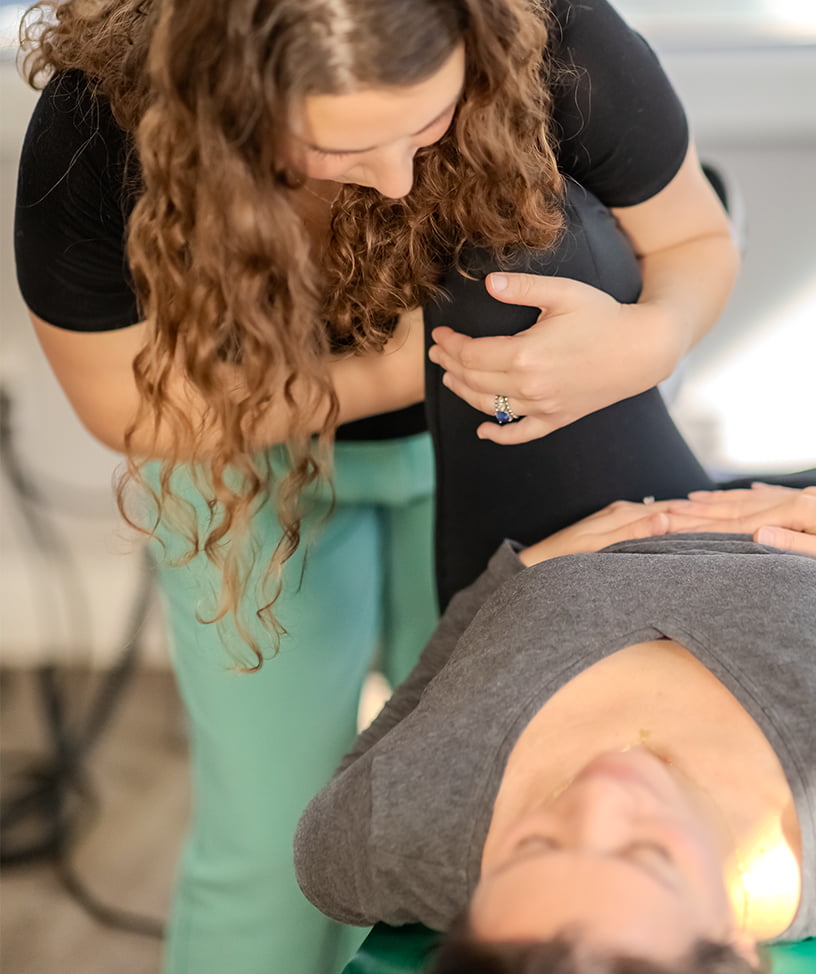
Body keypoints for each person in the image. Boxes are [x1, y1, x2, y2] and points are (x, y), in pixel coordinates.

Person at [13, 1, 737, 972]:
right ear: (227, 98)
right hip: (248, 461)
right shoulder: (104, 127)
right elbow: (121, 403)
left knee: (485, 806)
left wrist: (649, 339)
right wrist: (388, 378)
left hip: (491, 441)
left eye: (428, 125)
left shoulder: (548, 30)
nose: (398, 181)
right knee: (272, 846)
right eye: (337, 146)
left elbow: (698, 243)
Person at [294, 417, 816, 973]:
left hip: (612, 505)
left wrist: (501, 584)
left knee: (507, 275)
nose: (601, 793)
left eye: (536, 845)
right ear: (733, 943)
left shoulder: (394, 837)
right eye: (646, 854)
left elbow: (356, 781)